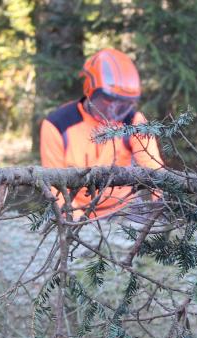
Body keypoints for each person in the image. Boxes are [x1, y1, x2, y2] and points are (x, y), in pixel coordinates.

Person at [39, 49, 164, 220]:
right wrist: (77, 220)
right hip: (76, 209)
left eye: (123, 104)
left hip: (124, 208)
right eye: (108, 101)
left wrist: (162, 203)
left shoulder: (134, 120)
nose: (114, 111)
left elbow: (153, 167)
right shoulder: (57, 125)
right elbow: (54, 185)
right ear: (90, 90)